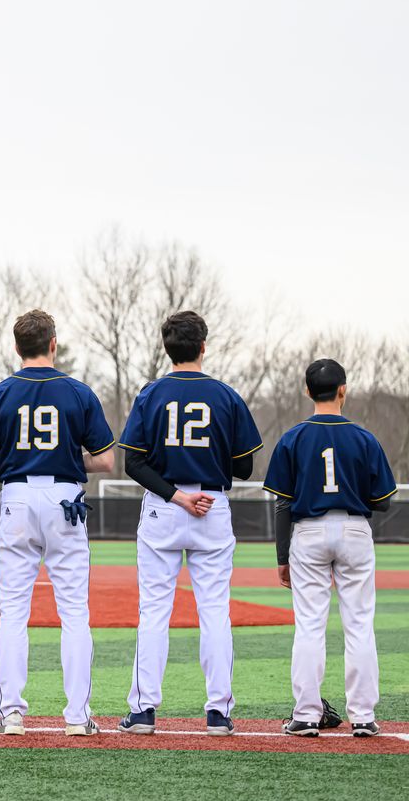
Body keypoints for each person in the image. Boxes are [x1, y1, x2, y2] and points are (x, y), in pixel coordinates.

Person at [115, 311, 262, 737]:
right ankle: (218, 712)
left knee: (154, 612)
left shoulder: (152, 393)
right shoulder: (226, 396)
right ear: (203, 346)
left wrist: (176, 495)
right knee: (214, 611)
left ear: (168, 348)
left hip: (164, 505)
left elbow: (133, 463)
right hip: (211, 504)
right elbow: (247, 467)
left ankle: (143, 712)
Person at [0, 309, 115, 737]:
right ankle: (76, 717)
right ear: (53, 343)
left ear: (17, 348)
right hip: (65, 497)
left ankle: (11, 714)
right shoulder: (78, 392)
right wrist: (69, 457)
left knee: (13, 612)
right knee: (74, 612)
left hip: (14, 498)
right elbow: (106, 460)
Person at [264, 359, 396, 738]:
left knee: (309, 625)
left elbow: (283, 503)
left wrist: (281, 556)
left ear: (307, 391)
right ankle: (363, 716)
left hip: (307, 532)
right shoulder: (364, 438)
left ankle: (306, 715)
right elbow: (384, 500)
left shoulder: (292, 438)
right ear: (343, 390)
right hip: (355, 529)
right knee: (359, 625)